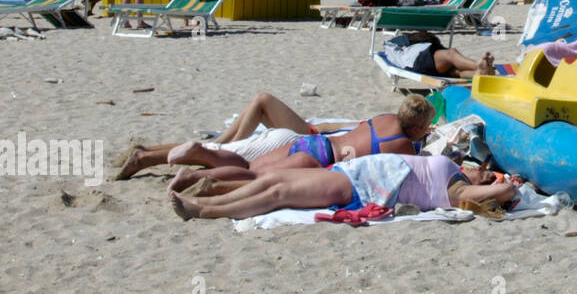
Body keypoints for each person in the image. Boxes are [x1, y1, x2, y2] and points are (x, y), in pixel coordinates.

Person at [164, 94, 434, 194]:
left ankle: (201, 151)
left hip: (311, 142)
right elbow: (415, 172)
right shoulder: (402, 145)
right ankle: (194, 175)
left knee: (249, 165)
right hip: (319, 159)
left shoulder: (384, 118)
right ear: (419, 128)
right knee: (253, 177)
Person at [169, 152, 518, 221]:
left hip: (362, 185)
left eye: (488, 175)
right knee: (273, 179)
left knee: (277, 195)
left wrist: (510, 188)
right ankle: (217, 190)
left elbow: (497, 194)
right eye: (486, 170)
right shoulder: (455, 168)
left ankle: (204, 211)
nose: (484, 172)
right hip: (356, 171)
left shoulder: (457, 191)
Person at [114, 90, 358, 180]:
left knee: (261, 102)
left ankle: (146, 155)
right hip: (311, 135)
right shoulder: (373, 132)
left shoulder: (371, 131)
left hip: (308, 137)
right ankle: (146, 154)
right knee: (223, 144)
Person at [384, 31, 494, 79]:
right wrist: (410, 38)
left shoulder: (405, 53)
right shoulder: (405, 54)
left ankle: (479, 73)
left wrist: (410, 39)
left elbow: (390, 44)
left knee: (456, 72)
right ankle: (478, 66)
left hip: (426, 64)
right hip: (420, 61)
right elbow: (389, 44)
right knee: (452, 53)